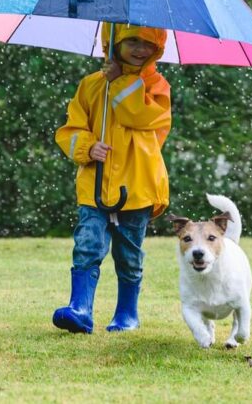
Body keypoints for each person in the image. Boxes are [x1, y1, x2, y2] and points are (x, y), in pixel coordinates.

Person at [53, 22, 171, 334]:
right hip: (94, 184)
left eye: (147, 43)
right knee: (88, 244)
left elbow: (141, 117)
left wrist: (120, 82)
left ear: (157, 48)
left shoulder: (157, 87)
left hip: (137, 186)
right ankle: (80, 308)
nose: (139, 49)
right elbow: (70, 130)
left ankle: (127, 314)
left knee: (128, 254)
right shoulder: (91, 85)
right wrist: (88, 147)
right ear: (112, 41)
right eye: (131, 40)